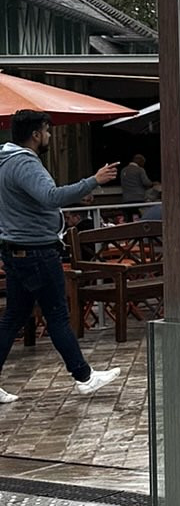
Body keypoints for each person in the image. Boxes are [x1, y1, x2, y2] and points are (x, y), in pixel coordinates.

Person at [0, 110, 121, 401]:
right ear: (36, 134)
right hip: (36, 252)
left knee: (14, 317)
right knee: (56, 315)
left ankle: (84, 375)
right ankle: (84, 376)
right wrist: (93, 180)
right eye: (47, 131)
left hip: (16, 249)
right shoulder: (25, 163)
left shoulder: (4, 161)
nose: (49, 136)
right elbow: (51, 197)